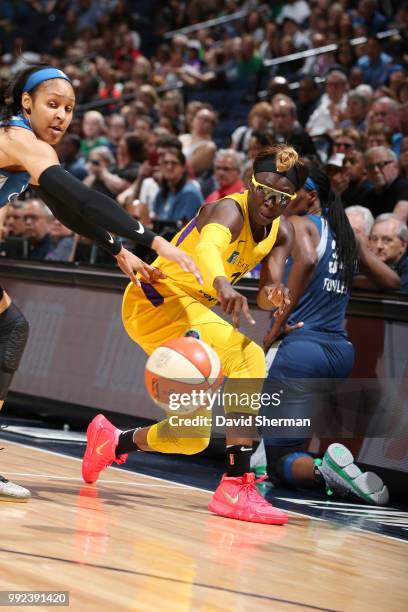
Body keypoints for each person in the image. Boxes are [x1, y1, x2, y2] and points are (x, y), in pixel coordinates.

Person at [0, 64, 201, 501]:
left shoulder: (26, 145)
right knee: (9, 328)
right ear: (26, 103)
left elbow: (67, 209)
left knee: (9, 328)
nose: (61, 116)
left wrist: (117, 249)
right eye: (52, 105)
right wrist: (151, 240)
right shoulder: (21, 142)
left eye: (69, 109)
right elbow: (80, 198)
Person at [82, 144, 309, 526]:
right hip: (156, 300)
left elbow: (267, 294)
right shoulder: (227, 209)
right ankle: (237, 483)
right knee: (247, 356)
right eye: (264, 190)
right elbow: (209, 249)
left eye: (281, 197)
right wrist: (221, 281)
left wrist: (275, 295)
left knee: (191, 437)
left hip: (191, 314)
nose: (270, 201)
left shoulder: (280, 233)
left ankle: (110, 440)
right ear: (250, 183)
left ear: (291, 200)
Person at [261, 165, 392, 505]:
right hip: (340, 353)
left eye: (293, 191)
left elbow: (304, 261)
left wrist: (275, 326)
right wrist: (347, 281)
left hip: (302, 350)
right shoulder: (347, 235)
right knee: (293, 441)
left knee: (278, 461)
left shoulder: (299, 225)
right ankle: (332, 469)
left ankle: (325, 470)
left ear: (311, 196)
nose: (285, 197)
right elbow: (391, 281)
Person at [369, 214, 408, 292]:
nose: (379, 246)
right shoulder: (365, 264)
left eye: (386, 240)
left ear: (403, 245)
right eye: (374, 239)